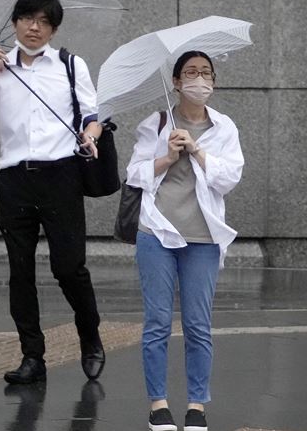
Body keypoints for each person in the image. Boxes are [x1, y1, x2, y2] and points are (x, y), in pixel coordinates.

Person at [0, 0, 106, 385]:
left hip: (61, 175)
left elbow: (92, 116)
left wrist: (90, 135)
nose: (34, 27)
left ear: (53, 29)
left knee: (69, 267)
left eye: (44, 21)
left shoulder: (71, 65)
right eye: (28, 19)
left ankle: (90, 336)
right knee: (20, 271)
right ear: (14, 23)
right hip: (14, 179)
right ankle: (32, 356)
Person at [126, 51, 243, 431]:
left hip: (204, 237)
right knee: (157, 321)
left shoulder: (224, 127)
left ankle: (197, 405)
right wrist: (166, 156)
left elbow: (230, 178)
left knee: (198, 324)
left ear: (213, 82)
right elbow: (134, 174)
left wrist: (197, 150)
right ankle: (158, 404)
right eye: (190, 73)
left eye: (205, 73)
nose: (199, 79)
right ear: (176, 82)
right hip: (158, 232)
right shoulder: (157, 123)